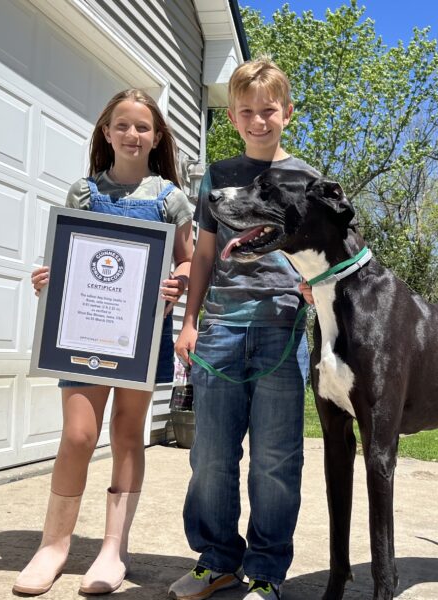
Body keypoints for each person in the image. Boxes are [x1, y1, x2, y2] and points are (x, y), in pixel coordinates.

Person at [15, 89, 195, 596]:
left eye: (143, 127)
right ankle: (53, 546)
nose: (132, 134)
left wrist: (177, 281)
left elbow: (186, 260)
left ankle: (114, 548)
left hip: (140, 334)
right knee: (77, 435)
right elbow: (66, 254)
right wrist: (49, 278)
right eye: (122, 125)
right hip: (82, 332)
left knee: (126, 432)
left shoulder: (169, 198)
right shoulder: (84, 193)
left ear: (156, 136)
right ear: (106, 132)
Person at [168, 57, 315, 600]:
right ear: (232, 116)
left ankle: (266, 572)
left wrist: (311, 289)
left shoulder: (306, 179)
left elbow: (324, 256)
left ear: (287, 112)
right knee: (210, 454)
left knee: (276, 460)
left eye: (269, 111)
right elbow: (204, 256)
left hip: (282, 330)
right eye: (248, 112)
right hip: (221, 331)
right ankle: (216, 560)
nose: (259, 121)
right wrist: (189, 322)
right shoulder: (218, 176)